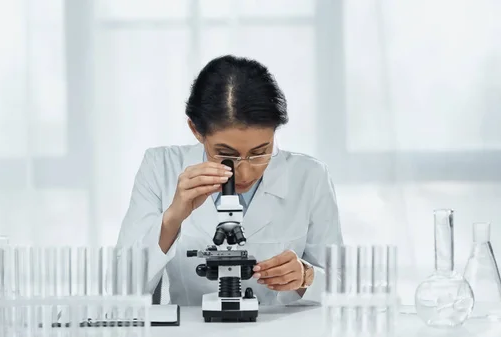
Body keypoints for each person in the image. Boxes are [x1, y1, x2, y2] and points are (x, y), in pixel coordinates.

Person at [116, 55, 343, 306]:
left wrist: (306, 277)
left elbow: (343, 288)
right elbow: (121, 289)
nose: (244, 174)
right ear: (196, 130)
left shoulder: (310, 176)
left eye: (260, 152)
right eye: (226, 155)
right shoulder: (161, 167)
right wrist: (172, 218)